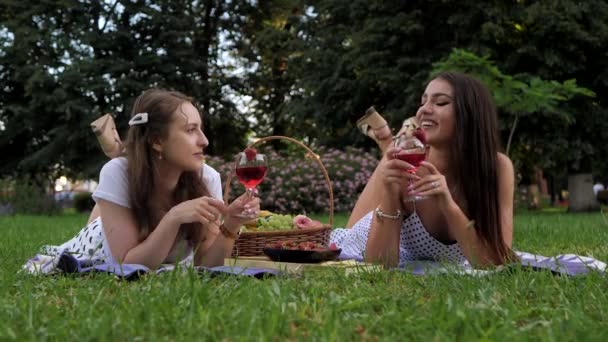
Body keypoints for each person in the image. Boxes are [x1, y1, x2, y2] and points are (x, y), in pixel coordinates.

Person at [25, 89, 259, 272]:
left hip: (134, 189)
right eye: (190, 130)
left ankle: (120, 150)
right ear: (157, 140)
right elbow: (127, 266)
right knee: (118, 178)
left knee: (123, 176)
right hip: (98, 242)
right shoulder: (115, 172)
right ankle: (121, 155)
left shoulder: (207, 177)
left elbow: (207, 265)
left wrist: (231, 224)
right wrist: (174, 217)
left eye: (201, 129)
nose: (204, 141)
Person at [331, 72, 515, 267]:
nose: (423, 111)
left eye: (440, 103)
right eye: (423, 102)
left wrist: (448, 205)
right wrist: (390, 198)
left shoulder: (497, 168)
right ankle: (383, 137)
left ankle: (383, 136)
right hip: (364, 244)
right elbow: (379, 265)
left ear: (470, 114)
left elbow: (495, 261)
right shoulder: (406, 165)